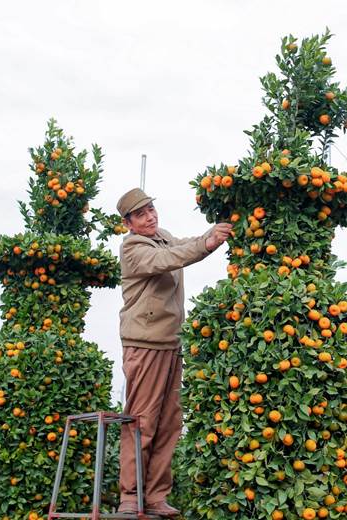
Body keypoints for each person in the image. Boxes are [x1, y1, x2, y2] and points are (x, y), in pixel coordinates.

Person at [115, 188, 231, 517]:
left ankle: (155, 495)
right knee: (142, 421)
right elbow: (172, 259)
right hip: (145, 344)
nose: (150, 216)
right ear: (129, 224)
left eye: (151, 209)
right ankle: (130, 496)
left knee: (168, 423)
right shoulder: (134, 248)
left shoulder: (162, 237)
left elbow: (181, 246)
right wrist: (206, 244)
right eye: (141, 214)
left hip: (170, 343)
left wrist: (212, 234)